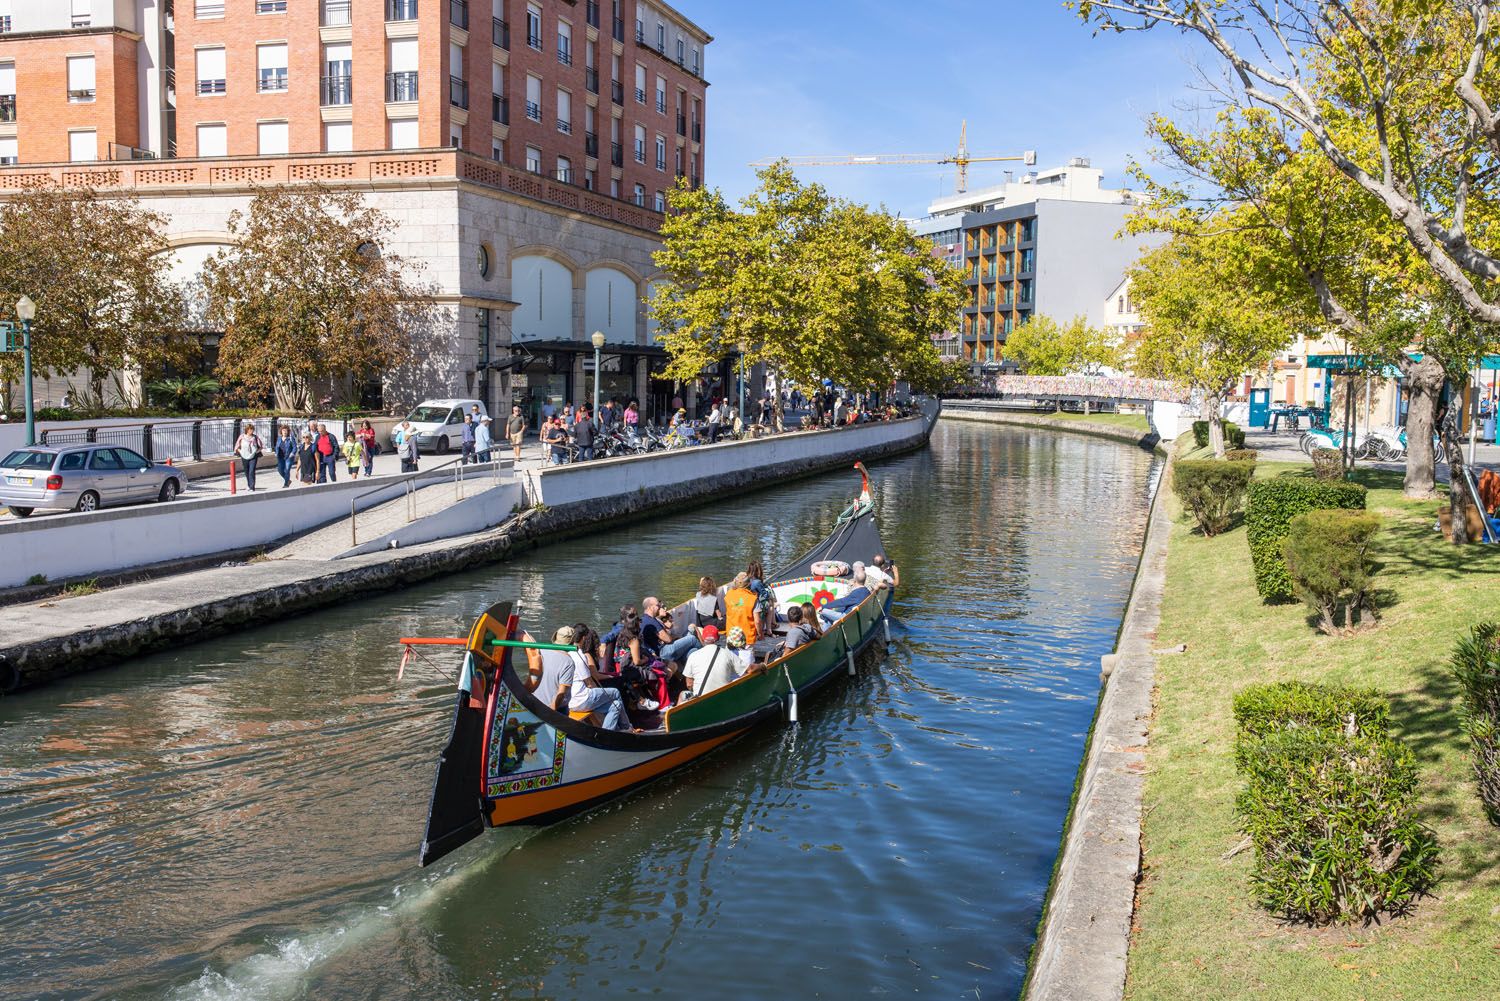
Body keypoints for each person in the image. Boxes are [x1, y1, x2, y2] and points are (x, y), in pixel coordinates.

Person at [564, 624, 631, 730]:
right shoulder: (579, 655)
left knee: (616, 705)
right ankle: (627, 727)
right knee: (615, 692)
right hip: (581, 699)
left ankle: (608, 733)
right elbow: (589, 683)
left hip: (571, 700)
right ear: (584, 638)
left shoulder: (567, 653)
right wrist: (600, 694)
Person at [524, 627, 578, 712]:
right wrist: (551, 712)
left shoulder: (541, 651)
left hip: (534, 701)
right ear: (572, 642)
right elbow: (561, 693)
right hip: (553, 708)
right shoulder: (568, 662)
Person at [680, 626, 739, 702]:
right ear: (718, 638)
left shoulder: (693, 656)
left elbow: (689, 684)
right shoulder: (728, 654)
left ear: (703, 638)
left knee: (682, 694)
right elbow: (749, 669)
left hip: (701, 699)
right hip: (723, 698)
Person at [724, 572, 761, 645]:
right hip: (747, 638)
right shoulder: (753, 598)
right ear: (749, 584)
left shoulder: (728, 595)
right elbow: (757, 621)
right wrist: (760, 634)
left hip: (731, 636)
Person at [234, 422, 264, 491]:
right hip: (244, 456)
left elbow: (261, 446)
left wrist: (256, 452)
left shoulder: (255, 437)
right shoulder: (242, 437)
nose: (251, 431)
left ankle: (252, 487)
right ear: (247, 430)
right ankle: (249, 484)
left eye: (252, 429)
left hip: (253, 456)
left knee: (251, 471)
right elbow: (237, 446)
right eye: (250, 429)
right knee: (246, 471)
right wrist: (240, 451)